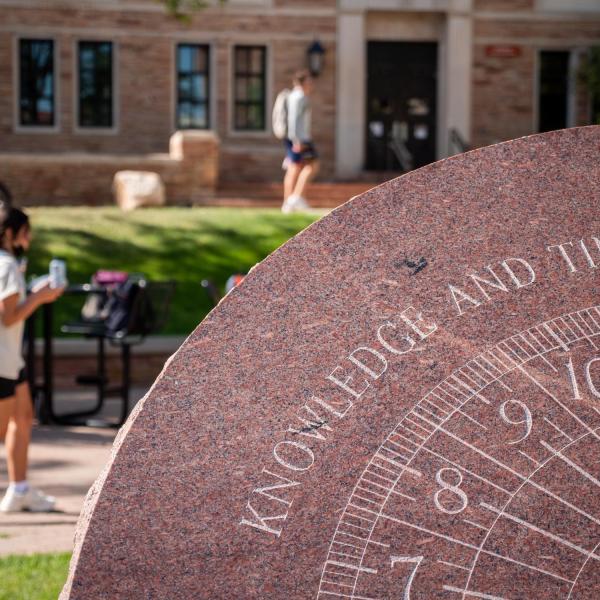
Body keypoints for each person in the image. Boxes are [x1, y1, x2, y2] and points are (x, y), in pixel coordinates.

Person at [0, 206, 63, 512]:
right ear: (11, 233)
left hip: (12, 359)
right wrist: (39, 297)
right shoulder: (7, 265)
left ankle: (20, 488)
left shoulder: (8, 264)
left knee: (23, 418)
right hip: (2, 361)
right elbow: (9, 317)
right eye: (26, 230)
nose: (30, 236)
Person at [281, 70, 320, 214]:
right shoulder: (300, 97)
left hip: (295, 137)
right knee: (312, 165)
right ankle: (296, 197)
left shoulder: (293, 96)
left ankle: (289, 202)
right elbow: (294, 120)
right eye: (309, 81)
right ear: (302, 82)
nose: (311, 84)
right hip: (299, 138)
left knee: (294, 167)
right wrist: (297, 141)